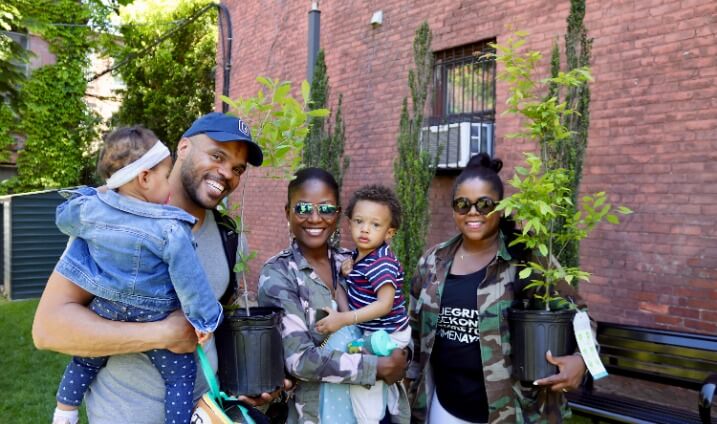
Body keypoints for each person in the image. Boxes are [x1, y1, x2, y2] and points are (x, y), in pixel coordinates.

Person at [33, 112, 281, 424]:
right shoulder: (111, 223)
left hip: (205, 413)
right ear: (184, 147)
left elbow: (211, 324)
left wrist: (244, 380)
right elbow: (47, 330)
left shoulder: (226, 235)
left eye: (237, 169)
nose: (226, 174)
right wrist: (162, 333)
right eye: (217, 156)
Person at [52, 127, 223, 424]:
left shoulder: (90, 210)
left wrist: (99, 193)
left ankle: (65, 410)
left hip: (106, 309)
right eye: (165, 173)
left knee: (85, 360)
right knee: (181, 376)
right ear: (144, 178)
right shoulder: (171, 227)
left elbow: (63, 216)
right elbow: (190, 280)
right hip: (153, 313)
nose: (169, 181)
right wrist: (203, 319)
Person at [406, 153, 590, 423]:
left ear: (501, 208)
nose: (472, 212)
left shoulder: (528, 259)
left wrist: (582, 361)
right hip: (444, 408)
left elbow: (581, 316)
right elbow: (413, 329)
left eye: (484, 204)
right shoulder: (433, 261)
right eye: (462, 204)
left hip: (515, 412)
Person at [258, 168, 409, 424]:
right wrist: (377, 367)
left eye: (326, 209)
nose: (315, 218)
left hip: (376, 404)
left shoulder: (353, 262)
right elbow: (299, 360)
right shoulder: (279, 275)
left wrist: (403, 356)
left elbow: (393, 314)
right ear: (288, 213)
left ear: (338, 215)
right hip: (320, 413)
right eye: (303, 208)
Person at [315, 184, 410, 424]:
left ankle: (371, 419)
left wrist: (344, 319)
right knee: (362, 365)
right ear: (349, 223)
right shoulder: (358, 256)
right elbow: (358, 285)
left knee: (364, 381)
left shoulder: (383, 263)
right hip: (372, 330)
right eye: (359, 221)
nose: (365, 229)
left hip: (388, 334)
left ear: (389, 233)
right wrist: (348, 269)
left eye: (375, 225)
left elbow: (385, 304)